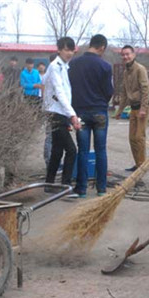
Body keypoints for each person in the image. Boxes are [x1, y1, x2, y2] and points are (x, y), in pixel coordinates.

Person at [69, 34, 114, 197]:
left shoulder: (73, 64)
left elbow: (70, 88)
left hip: (80, 112)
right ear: (102, 47)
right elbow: (109, 91)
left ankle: (81, 189)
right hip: (99, 112)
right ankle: (101, 188)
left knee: (83, 150)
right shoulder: (105, 66)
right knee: (101, 150)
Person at [43, 37, 80, 194]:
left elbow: (61, 91)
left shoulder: (64, 66)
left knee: (58, 150)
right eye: (66, 49)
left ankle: (49, 184)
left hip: (60, 112)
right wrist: (72, 115)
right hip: (56, 113)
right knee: (71, 150)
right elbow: (59, 91)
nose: (69, 53)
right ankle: (65, 185)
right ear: (59, 50)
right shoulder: (55, 66)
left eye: (71, 50)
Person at [114, 45, 149, 172]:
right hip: (133, 108)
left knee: (139, 137)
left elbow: (145, 89)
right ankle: (137, 164)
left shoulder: (140, 69)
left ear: (133, 55)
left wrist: (143, 108)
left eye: (128, 54)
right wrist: (119, 111)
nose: (126, 57)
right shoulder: (126, 72)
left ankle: (142, 166)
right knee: (132, 138)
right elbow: (125, 93)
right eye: (123, 55)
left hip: (143, 107)